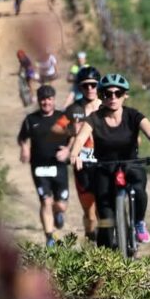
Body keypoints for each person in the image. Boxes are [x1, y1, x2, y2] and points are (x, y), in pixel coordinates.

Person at [70, 73, 150, 248]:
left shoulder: (133, 115)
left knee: (139, 190)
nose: (113, 97)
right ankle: (105, 261)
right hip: (104, 168)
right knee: (106, 222)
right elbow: (80, 139)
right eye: (108, 94)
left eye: (118, 93)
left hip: (131, 164)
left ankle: (139, 222)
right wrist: (75, 154)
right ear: (102, 96)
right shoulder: (94, 118)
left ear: (125, 95)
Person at [53, 66, 102, 242]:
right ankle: (90, 235)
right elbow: (56, 128)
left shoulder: (108, 105)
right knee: (90, 214)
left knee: (105, 206)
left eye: (93, 85)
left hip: (104, 160)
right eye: (85, 86)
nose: (90, 89)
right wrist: (69, 130)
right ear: (80, 88)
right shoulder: (74, 109)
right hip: (83, 163)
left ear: (99, 86)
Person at [18, 85, 70, 248]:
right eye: (43, 99)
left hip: (59, 166)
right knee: (45, 202)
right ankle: (49, 236)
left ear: (54, 100)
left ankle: (58, 212)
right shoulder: (31, 120)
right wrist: (25, 148)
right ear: (39, 101)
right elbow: (22, 138)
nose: (46, 102)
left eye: (49, 99)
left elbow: (75, 135)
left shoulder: (63, 118)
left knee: (60, 204)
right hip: (39, 167)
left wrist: (68, 150)